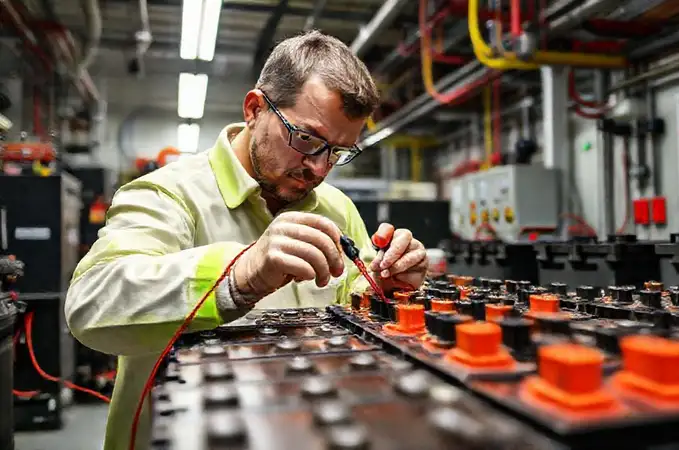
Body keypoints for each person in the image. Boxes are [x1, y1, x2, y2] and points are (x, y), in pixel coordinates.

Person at [65, 31, 429, 450]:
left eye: (338, 152)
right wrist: (241, 274)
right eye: (306, 139)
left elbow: (352, 298)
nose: (318, 168)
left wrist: (383, 285)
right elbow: (91, 306)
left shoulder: (337, 207)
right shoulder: (167, 194)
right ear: (255, 108)